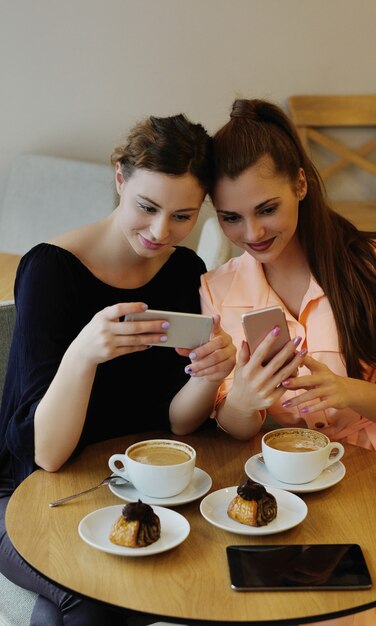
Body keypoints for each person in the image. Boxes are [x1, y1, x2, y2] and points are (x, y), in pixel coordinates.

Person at [0, 112, 235, 626]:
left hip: (130, 485)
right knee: (95, 598)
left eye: (182, 216)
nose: (159, 231)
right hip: (29, 494)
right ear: (119, 177)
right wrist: (84, 353)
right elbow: (47, 456)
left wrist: (210, 374)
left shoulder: (185, 272)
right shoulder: (49, 271)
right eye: (147, 207)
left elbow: (176, 424)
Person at [199, 98, 376, 626]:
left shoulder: (374, 263)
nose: (252, 234)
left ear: (300, 184)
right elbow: (226, 420)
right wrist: (245, 404)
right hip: (284, 482)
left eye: (266, 208)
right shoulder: (218, 288)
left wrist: (351, 393)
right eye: (231, 217)